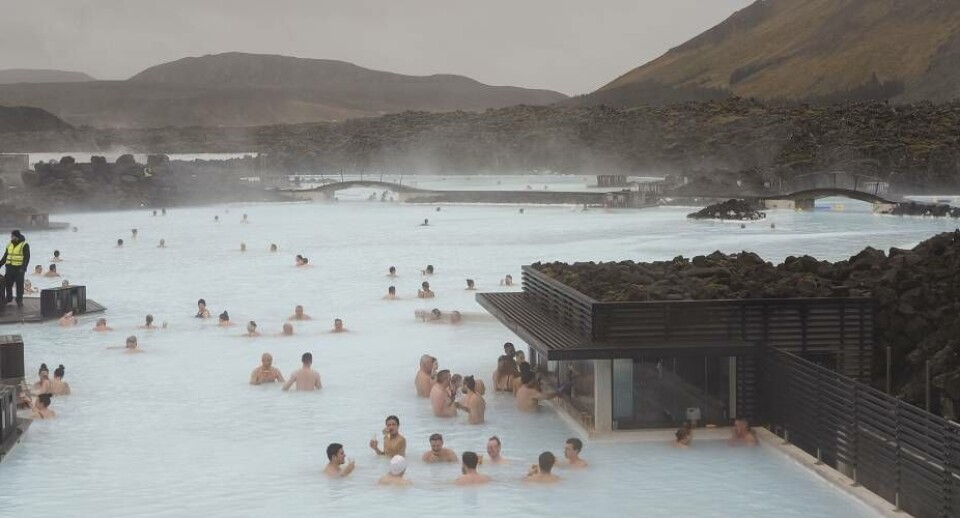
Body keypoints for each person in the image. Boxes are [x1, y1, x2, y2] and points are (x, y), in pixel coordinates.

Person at [0, 230, 30, 307]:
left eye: (12, 236)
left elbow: (27, 258)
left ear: (16, 236)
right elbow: (5, 256)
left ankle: (19, 300)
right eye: (11, 236)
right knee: (8, 284)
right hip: (9, 267)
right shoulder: (9, 244)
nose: (11, 237)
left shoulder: (24, 245)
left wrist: (23, 268)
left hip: (19, 268)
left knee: (19, 285)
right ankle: (9, 298)